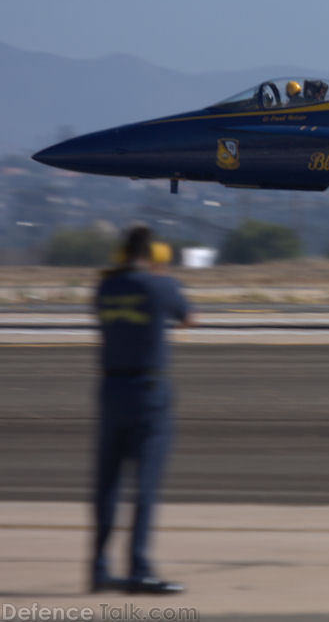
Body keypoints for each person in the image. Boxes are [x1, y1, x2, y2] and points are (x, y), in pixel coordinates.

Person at [91, 226, 192, 594]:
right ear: (153, 255)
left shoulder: (104, 287)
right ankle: (138, 568)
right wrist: (162, 276)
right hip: (148, 391)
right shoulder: (159, 285)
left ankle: (99, 569)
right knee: (145, 485)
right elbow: (188, 317)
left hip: (110, 388)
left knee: (107, 484)